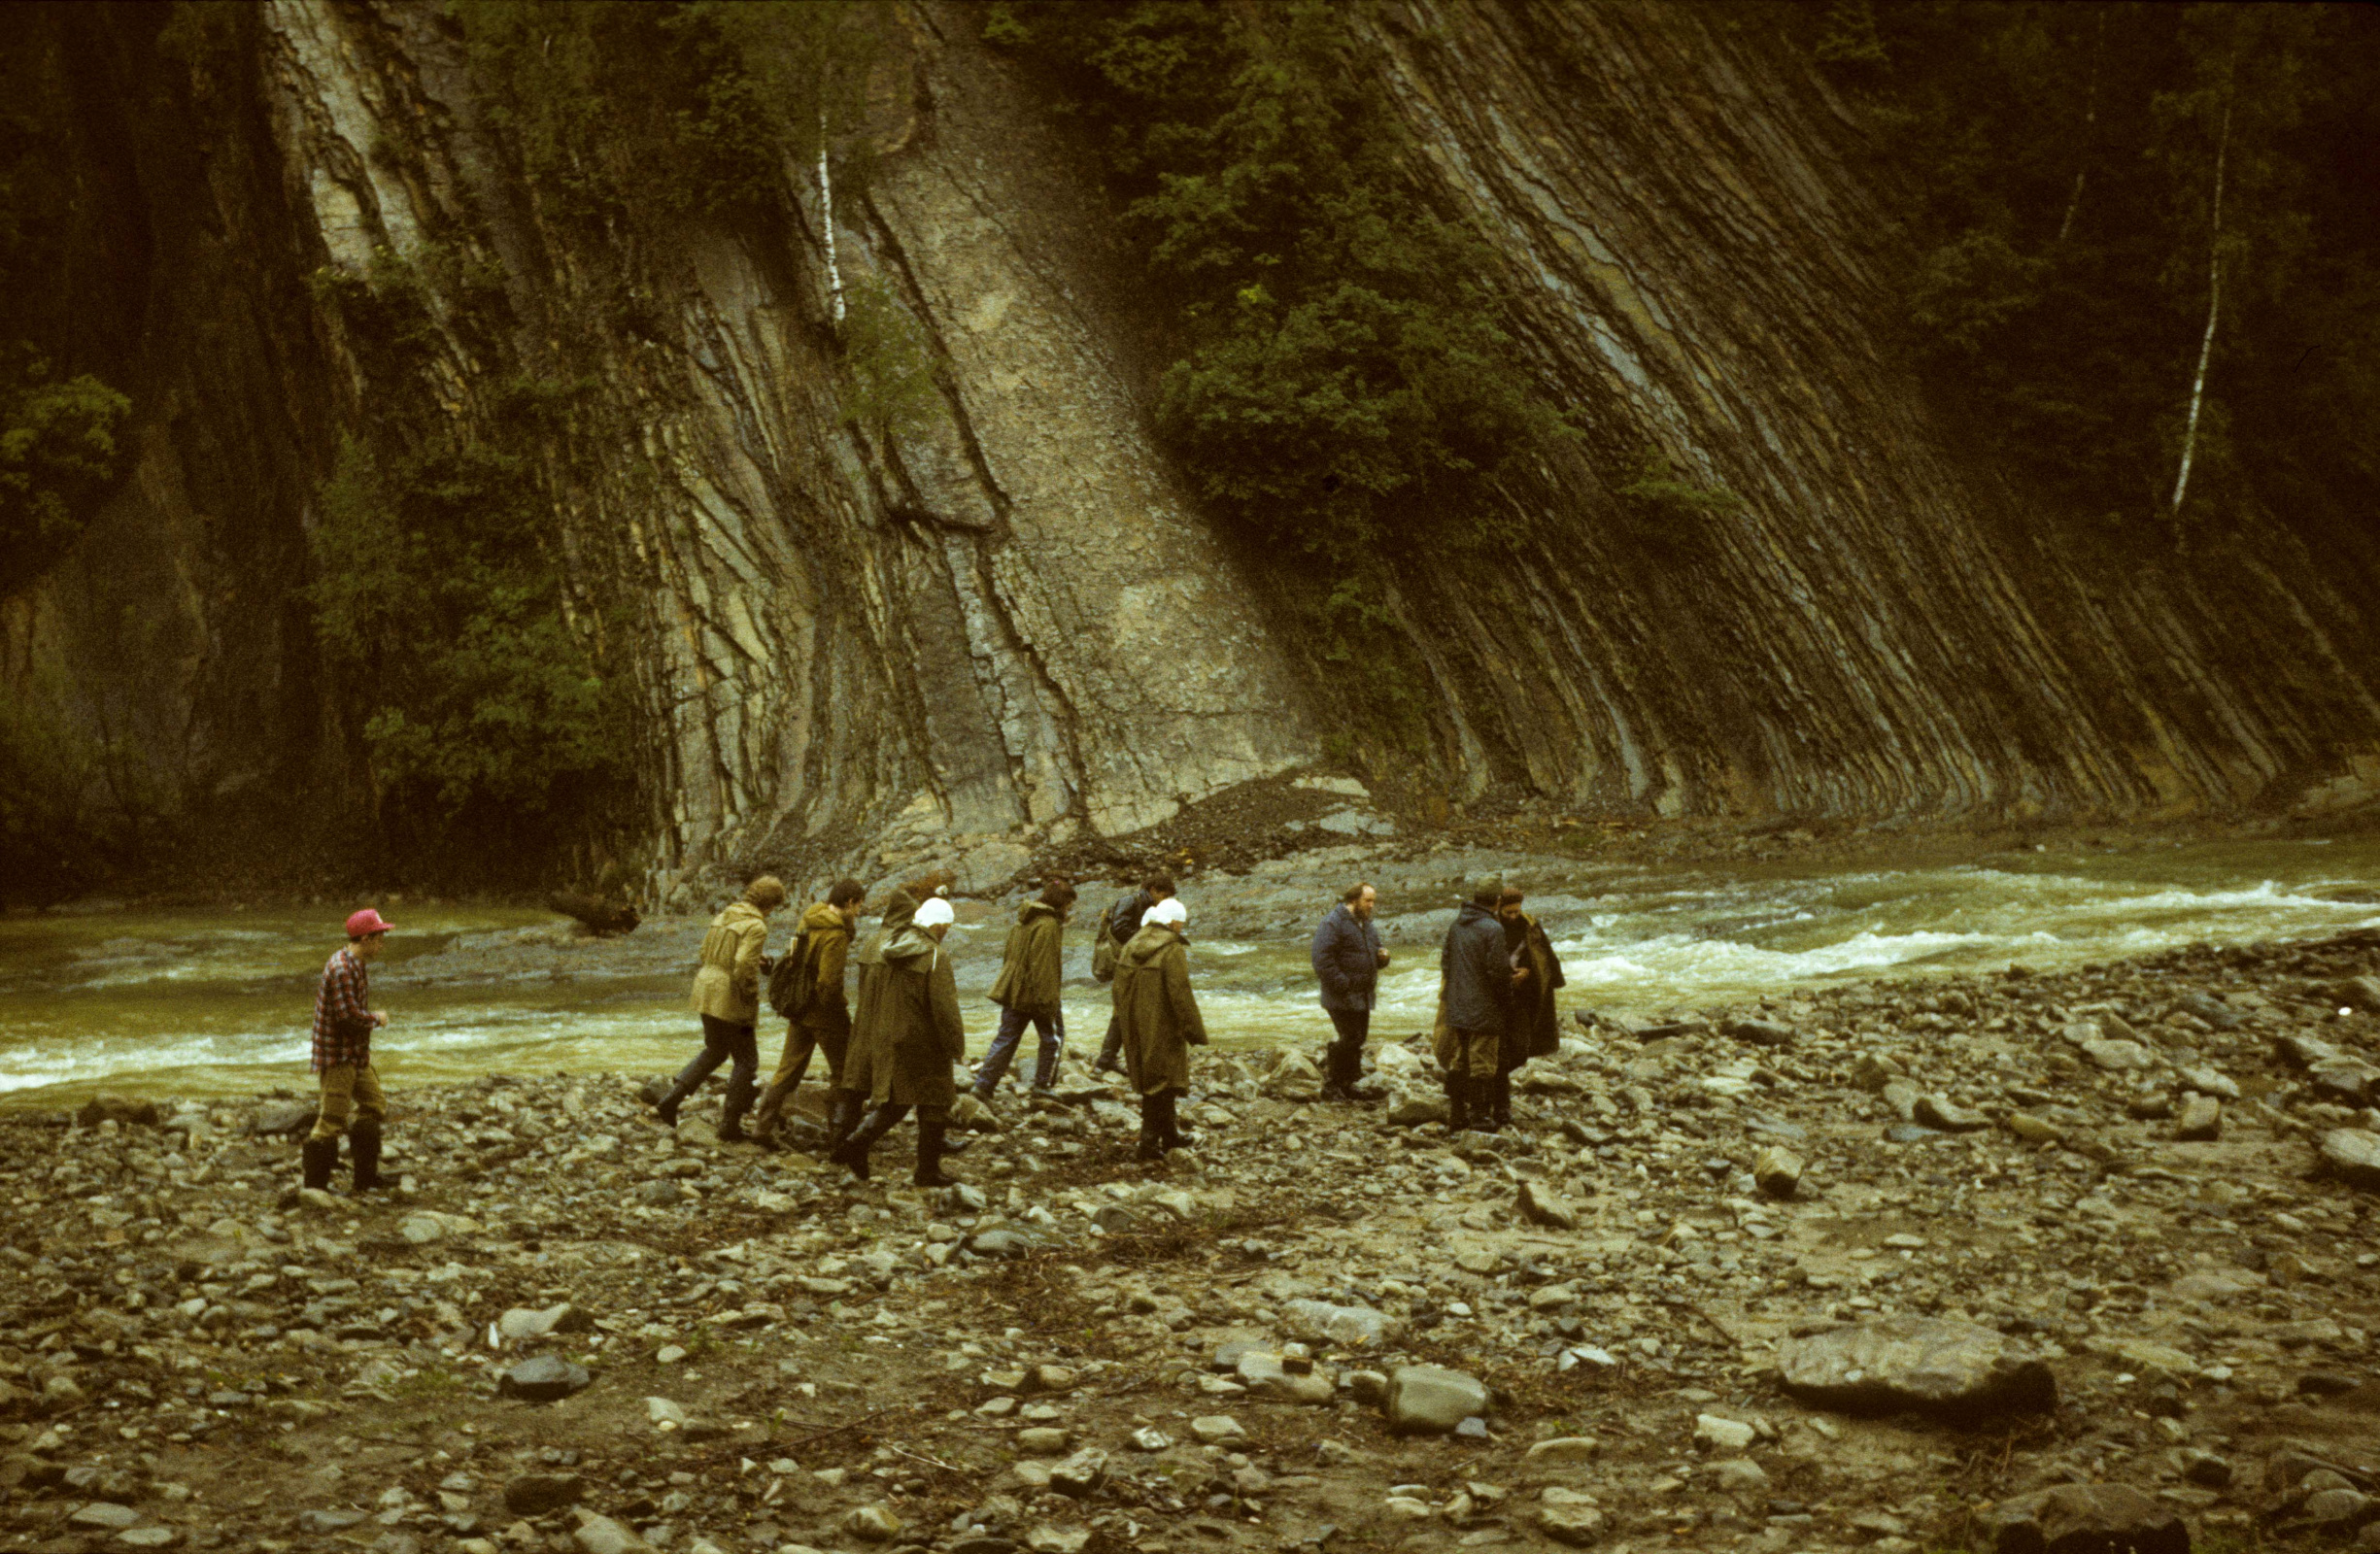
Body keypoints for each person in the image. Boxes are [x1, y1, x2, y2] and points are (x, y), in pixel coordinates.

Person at [833, 895, 969, 1186]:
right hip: (923, 1040)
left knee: (899, 1099)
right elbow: (945, 1009)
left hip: (888, 1034)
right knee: (936, 1099)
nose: (946, 933)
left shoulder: (887, 946)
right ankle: (924, 1170)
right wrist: (956, 1047)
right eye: (946, 927)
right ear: (940, 926)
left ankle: (857, 1143)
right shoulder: (934, 955)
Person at [651, 875, 787, 1140]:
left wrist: (741, 960)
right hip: (729, 996)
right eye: (775, 907)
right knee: (747, 1061)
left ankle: (670, 1099)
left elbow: (705, 952)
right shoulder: (757, 926)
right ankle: (729, 1125)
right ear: (769, 905)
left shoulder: (725, 915)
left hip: (705, 988)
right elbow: (742, 966)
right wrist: (750, 996)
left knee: (715, 1050)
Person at [750, 878, 867, 1152]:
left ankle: (761, 1127)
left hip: (799, 1007)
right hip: (824, 1013)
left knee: (788, 1070)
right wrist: (839, 1010)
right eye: (859, 905)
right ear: (849, 903)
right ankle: (840, 1135)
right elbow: (828, 983)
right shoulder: (835, 934)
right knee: (845, 1070)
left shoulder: (809, 920)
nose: (860, 911)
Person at [304, 908, 394, 1192]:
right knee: (331, 1121)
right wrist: (376, 1019)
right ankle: (314, 1189)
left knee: (374, 1104)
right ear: (365, 938)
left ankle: (365, 1179)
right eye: (379, 937)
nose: (382, 943)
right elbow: (347, 1018)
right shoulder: (342, 968)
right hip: (338, 1055)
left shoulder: (356, 962)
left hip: (354, 1054)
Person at [1115, 896, 1207, 1160]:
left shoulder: (1132, 943)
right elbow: (1180, 992)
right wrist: (1194, 1031)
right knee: (1162, 1082)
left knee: (1151, 1079)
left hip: (1135, 1024)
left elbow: (1117, 988)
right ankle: (1147, 1144)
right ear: (1173, 922)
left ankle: (1170, 1136)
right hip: (1163, 1025)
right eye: (1180, 923)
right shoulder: (1171, 949)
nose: (1181, 928)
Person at [974, 880, 1075, 1102]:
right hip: (1038, 994)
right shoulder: (1048, 925)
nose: (1070, 910)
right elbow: (1044, 967)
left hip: (1014, 990)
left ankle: (982, 1086)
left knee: (1006, 1038)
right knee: (1054, 1038)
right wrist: (1048, 1002)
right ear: (1062, 903)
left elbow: (1009, 956)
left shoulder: (1023, 920)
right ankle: (1042, 1085)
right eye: (1069, 905)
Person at [1433, 877, 1510, 1132]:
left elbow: (1445, 963)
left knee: (1460, 1060)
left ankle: (1457, 1115)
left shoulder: (1457, 925)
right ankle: (1479, 1116)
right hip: (1484, 1008)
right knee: (1483, 1063)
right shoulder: (1493, 929)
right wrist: (1506, 999)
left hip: (1457, 1006)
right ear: (1497, 902)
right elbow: (1498, 972)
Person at [1493, 887, 1568, 1130]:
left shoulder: (1531, 926)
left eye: (1517, 911)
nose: (1513, 916)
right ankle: (1500, 1104)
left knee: (1520, 1050)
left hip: (1523, 998)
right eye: (1509, 912)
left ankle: (1493, 1088)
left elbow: (1544, 955)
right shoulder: (1489, 927)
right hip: (1495, 999)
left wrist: (1536, 975)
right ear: (1499, 908)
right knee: (1500, 1051)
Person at [1309, 881, 1389, 1101]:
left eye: (1373, 900)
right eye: (1368, 900)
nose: (1372, 905)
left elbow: (1374, 953)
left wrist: (1383, 958)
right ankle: (1332, 1084)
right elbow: (1321, 960)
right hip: (1341, 994)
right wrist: (1343, 984)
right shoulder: (1332, 923)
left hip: (1362, 994)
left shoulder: (1366, 924)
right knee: (1350, 1037)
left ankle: (1350, 1082)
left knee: (1358, 1038)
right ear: (1354, 900)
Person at [1092, 873, 1175, 1075]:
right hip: (1125, 963)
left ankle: (1107, 1059)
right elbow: (1119, 929)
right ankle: (1108, 1060)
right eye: (1163, 896)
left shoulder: (1145, 905)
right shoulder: (1130, 901)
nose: (1164, 901)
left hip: (1131, 962)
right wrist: (1146, 941)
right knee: (1124, 1010)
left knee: (1124, 1010)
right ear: (1153, 890)